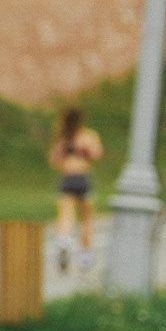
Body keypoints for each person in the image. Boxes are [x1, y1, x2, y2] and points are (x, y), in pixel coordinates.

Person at [48, 107, 105, 273]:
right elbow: (97, 154)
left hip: (67, 178)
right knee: (86, 219)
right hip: (83, 177)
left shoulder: (63, 138)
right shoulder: (87, 137)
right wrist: (84, 153)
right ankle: (86, 256)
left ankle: (64, 240)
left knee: (66, 214)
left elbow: (54, 161)